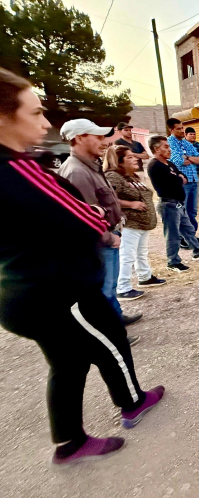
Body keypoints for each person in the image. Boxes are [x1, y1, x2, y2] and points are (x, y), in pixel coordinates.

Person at [0, 68, 164, 464]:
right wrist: (97, 216)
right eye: (35, 113)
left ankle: (69, 442)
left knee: (69, 363)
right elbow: (84, 217)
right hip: (57, 291)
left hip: (26, 290)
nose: (45, 124)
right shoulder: (18, 169)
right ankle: (133, 402)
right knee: (111, 343)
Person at [58, 118, 143, 333]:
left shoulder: (89, 166)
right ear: (79, 138)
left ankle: (115, 317)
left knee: (109, 286)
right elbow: (84, 217)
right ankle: (110, 332)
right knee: (103, 290)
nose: (104, 142)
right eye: (98, 137)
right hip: (100, 242)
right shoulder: (77, 172)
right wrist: (108, 237)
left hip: (107, 238)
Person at [104, 146, 165, 300]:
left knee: (141, 252)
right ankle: (123, 288)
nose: (135, 159)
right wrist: (131, 204)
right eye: (129, 157)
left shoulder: (131, 177)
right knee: (127, 256)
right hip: (129, 223)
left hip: (141, 224)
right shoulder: (113, 176)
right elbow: (108, 198)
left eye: (134, 156)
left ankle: (145, 277)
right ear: (119, 161)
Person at [147, 136, 199, 271]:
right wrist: (178, 178)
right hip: (168, 204)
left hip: (178, 203)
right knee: (173, 234)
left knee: (188, 230)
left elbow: (182, 176)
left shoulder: (169, 163)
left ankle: (198, 251)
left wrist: (179, 177)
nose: (169, 150)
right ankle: (173, 262)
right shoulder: (155, 166)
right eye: (166, 147)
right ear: (156, 149)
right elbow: (175, 180)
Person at [166, 118, 199, 248]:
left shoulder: (186, 143)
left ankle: (191, 235)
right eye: (178, 128)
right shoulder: (169, 143)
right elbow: (178, 161)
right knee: (182, 212)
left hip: (193, 180)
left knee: (192, 211)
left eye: (182, 128)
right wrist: (188, 158)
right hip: (182, 182)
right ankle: (182, 238)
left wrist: (187, 157)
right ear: (171, 130)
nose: (182, 131)